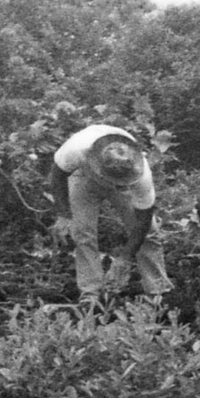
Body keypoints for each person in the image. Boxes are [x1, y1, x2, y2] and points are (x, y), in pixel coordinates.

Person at [47, 124, 170, 302]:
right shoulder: (76, 150)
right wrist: (64, 215)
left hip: (124, 185)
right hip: (84, 176)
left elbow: (143, 220)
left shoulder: (140, 176)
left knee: (149, 234)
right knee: (82, 231)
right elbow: (57, 175)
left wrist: (125, 259)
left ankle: (157, 291)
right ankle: (91, 294)